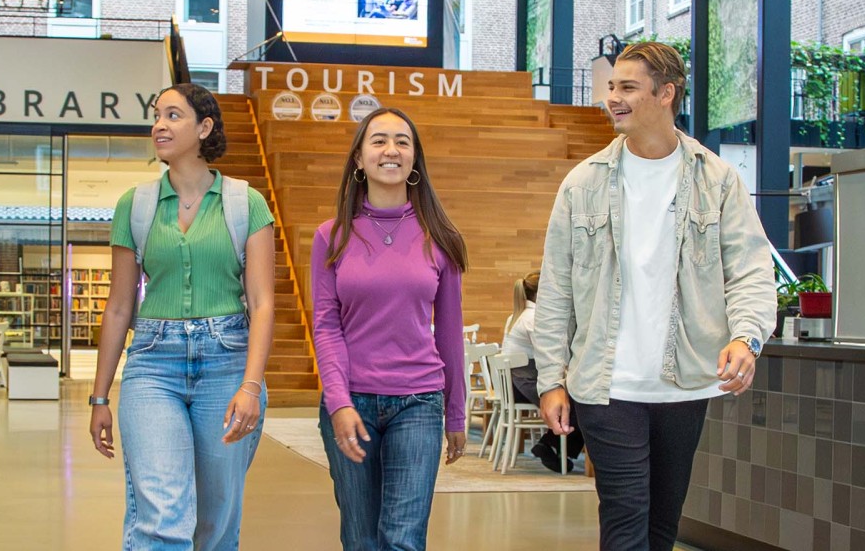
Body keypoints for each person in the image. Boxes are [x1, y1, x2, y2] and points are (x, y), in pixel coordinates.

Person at [529, 40, 776, 551]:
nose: (612, 98)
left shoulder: (717, 179)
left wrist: (746, 337)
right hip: (606, 385)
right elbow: (555, 291)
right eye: (611, 87)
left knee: (663, 525)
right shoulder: (582, 183)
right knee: (625, 520)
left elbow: (751, 270)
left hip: (684, 384)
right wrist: (550, 379)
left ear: (666, 94)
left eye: (627, 87)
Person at [86, 82, 278, 551]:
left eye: (173, 115)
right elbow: (119, 306)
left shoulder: (245, 203)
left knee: (216, 519)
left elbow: (262, 303)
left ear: (204, 127)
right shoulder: (135, 205)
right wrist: (99, 396)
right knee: (162, 515)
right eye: (157, 115)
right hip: (153, 363)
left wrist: (251, 386)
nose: (159, 125)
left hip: (228, 362)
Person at [307, 108, 468, 551]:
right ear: (359, 159)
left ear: (414, 158)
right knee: (361, 539)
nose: (391, 149)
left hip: (418, 402)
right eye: (378, 140)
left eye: (402, 141)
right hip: (351, 401)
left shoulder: (441, 237)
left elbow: (449, 334)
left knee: (403, 540)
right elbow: (326, 327)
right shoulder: (331, 236)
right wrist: (338, 401)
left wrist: (456, 413)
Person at [499, 272, 584, 473]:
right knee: (581, 404)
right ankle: (550, 445)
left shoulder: (517, 315)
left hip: (513, 384)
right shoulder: (533, 318)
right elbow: (549, 350)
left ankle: (554, 447)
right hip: (525, 382)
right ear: (542, 293)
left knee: (577, 403)